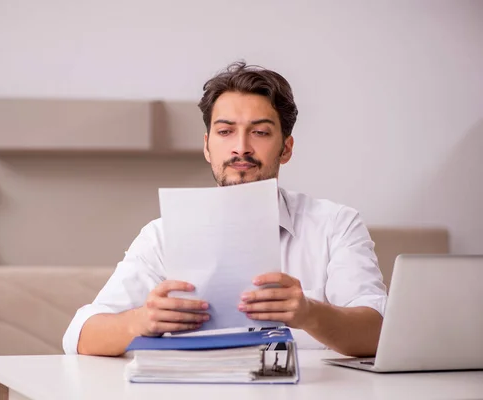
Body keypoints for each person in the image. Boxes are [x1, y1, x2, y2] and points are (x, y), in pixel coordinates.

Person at [63, 62, 387, 357]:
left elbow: (381, 332)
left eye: (259, 132)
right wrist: (140, 320)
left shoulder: (336, 225)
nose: (241, 147)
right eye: (225, 131)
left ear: (285, 148)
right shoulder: (162, 235)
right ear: (207, 146)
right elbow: (80, 336)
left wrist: (309, 313)